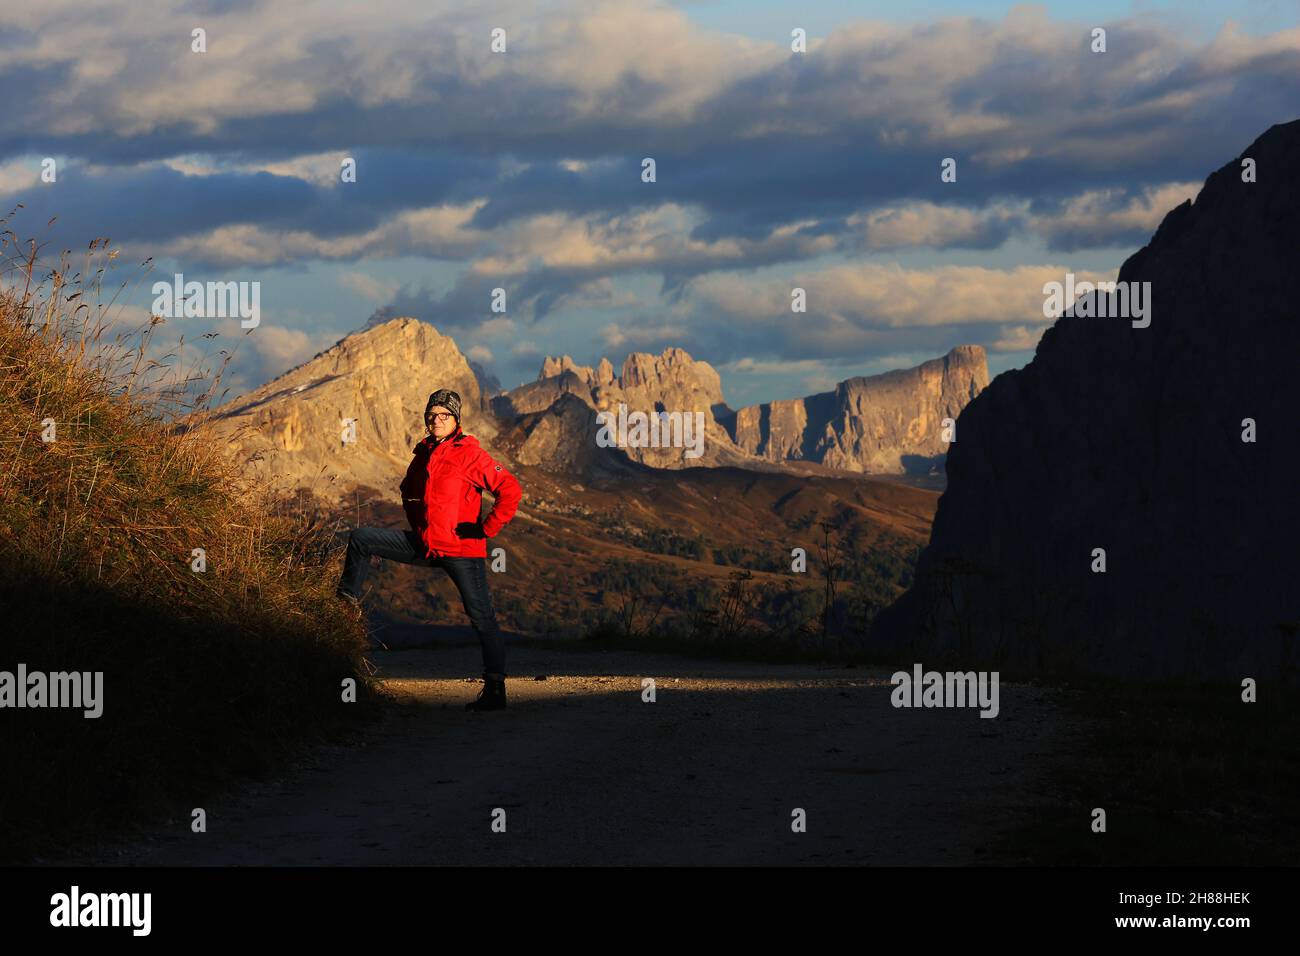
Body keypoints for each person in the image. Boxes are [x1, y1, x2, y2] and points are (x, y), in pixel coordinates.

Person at [336, 388, 522, 711]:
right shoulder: (422, 454)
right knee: (362, 539)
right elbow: (407, 490)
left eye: (444, 415)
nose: (437, 420)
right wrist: (418, 524)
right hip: (424, 545)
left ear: (456, 420)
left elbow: (510, 490)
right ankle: (343, 607)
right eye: (432, 415)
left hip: (462, 551)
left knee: (482, 618)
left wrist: (485, 529)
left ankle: (495, 689)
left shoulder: (470, 454)